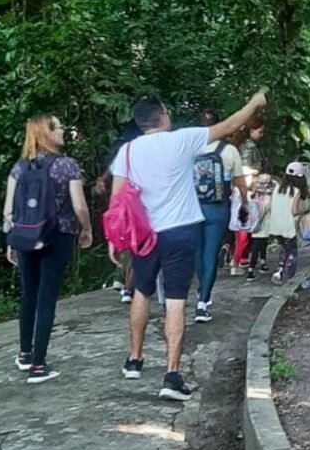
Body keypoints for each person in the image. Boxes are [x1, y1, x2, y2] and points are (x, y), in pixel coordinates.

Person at [109, 91, 266, 401]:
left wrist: (116, 239)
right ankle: (171, 375)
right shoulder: (181, 140)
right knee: (176, 300)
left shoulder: (127, 152)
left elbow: (117, 200)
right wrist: (255, 102)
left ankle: (134, 359)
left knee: (142, 290)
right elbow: (229, 125)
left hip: (144, 234)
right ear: (162, 116)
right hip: (179, 231)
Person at [2, 115, 92, 383]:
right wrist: (86, 228)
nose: (64, 130)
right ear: (47, 132)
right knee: (46, 297)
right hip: (57, 235)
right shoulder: (67, 166)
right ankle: (39, 366)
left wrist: (11, 240)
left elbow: (9, 210)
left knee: (28, 293)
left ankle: (25, 354)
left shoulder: (19, 167)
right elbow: (79, 207)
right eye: (58, 126)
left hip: (26, 237)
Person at [194, 117, 248, 321]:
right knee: (211, 253)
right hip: (217, 209)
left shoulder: (191, 149)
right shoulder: (229, 151)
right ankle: (202, 303)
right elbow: (241, 184)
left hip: (194, 208)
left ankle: (201, 289)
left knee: (198, 253)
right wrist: (244, 203)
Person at [95, 119, 142, 303]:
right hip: (136, 204)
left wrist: (102, 181)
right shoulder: (139, 151)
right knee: (135, 247)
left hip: (122, 204)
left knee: (126, 244)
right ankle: (128, 288)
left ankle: (120, 280)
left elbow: (111, 171)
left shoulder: (124, 151)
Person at [268, 161, 310, 285]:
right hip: (288, 225)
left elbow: (271, 206)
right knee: (292, 250)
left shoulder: (277, 188)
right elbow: (294, 211)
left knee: (284, 248)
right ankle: (287, 275)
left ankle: (279, 270)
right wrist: (305, 209)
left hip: (275, 225)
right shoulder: (296, 191)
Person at [245, 173, 277, 281]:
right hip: (261, 222)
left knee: (262, 242)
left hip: (258, 221)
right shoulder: (268, 195)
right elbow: (268, 209)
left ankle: (262, 262)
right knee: (257, 245)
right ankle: (251, 270)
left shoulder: (254, 193)